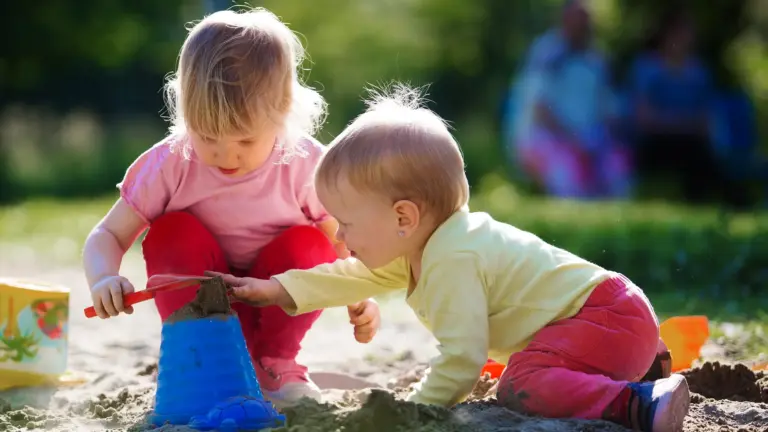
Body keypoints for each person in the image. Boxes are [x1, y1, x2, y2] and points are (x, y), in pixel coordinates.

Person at [210, 84, 690, 432]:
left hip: (605, 319)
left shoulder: (453, 257)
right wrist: (278, 289)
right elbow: (352, 276)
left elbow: (462, 359)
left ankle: (636, 402)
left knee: (521, 384)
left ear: (403, 216)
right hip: (614, 322)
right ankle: (641, 367)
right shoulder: (424, 244)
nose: (340, 233)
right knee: (529, 369)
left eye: (348, 222)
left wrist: (417, 411)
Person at [82, 8, 381, 408]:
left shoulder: (307, 166)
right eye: (206, 135)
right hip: (201, 303)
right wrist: (104, 277)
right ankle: (201, 356)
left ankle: (274, 363)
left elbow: (344, 240)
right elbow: (108, 234)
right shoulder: (170, 163)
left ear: (283, 111)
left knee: (309, 243)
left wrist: (360, 291)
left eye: (244, 140)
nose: (225, 154)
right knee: (171, 231)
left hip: (275, 305)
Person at [513, 0, 632, 199]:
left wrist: (597, 141)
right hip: (546, 139)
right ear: (564, 20)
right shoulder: (546, 54)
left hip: (590, 142)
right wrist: (574, 141)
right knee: (567, 172)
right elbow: (540, 110)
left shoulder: (598, 60)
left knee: (616, 166)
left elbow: (610, 110)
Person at [629, 11, 719, 203]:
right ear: (665, 35)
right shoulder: (646, 68)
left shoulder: (698, 71)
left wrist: (675, 123)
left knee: (702, 154)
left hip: (690, 142)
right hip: (655, 142)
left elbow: (706, 120)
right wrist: (683, 123)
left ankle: (702, 204)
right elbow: (644, 118)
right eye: (679, 33)